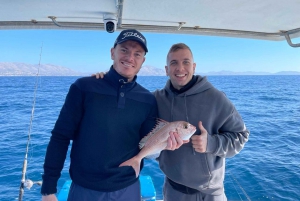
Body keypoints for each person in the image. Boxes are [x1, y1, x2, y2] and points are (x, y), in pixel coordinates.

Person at [94, 42, 249, 201]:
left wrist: (211, 143)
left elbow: (241, 136)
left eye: (186, 62)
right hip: (172, 190)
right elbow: (126, 105)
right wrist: (106, 82)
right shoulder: (155, 99)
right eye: (174, 63)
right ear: (166, 70)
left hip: (211, 193)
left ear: (194, 67)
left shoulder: (216, 98)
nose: (180, 68)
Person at [41, 29, 183, 201]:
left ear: (142, 61)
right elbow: (60, 137)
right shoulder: (84, 87)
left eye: (137, 54)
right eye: (124, 50)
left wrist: (166, 144)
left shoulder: (147, 100)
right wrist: (48, 190)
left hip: (128, 188)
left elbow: (146, 144)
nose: (130, 58)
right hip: (84, 189)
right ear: (112, 52)